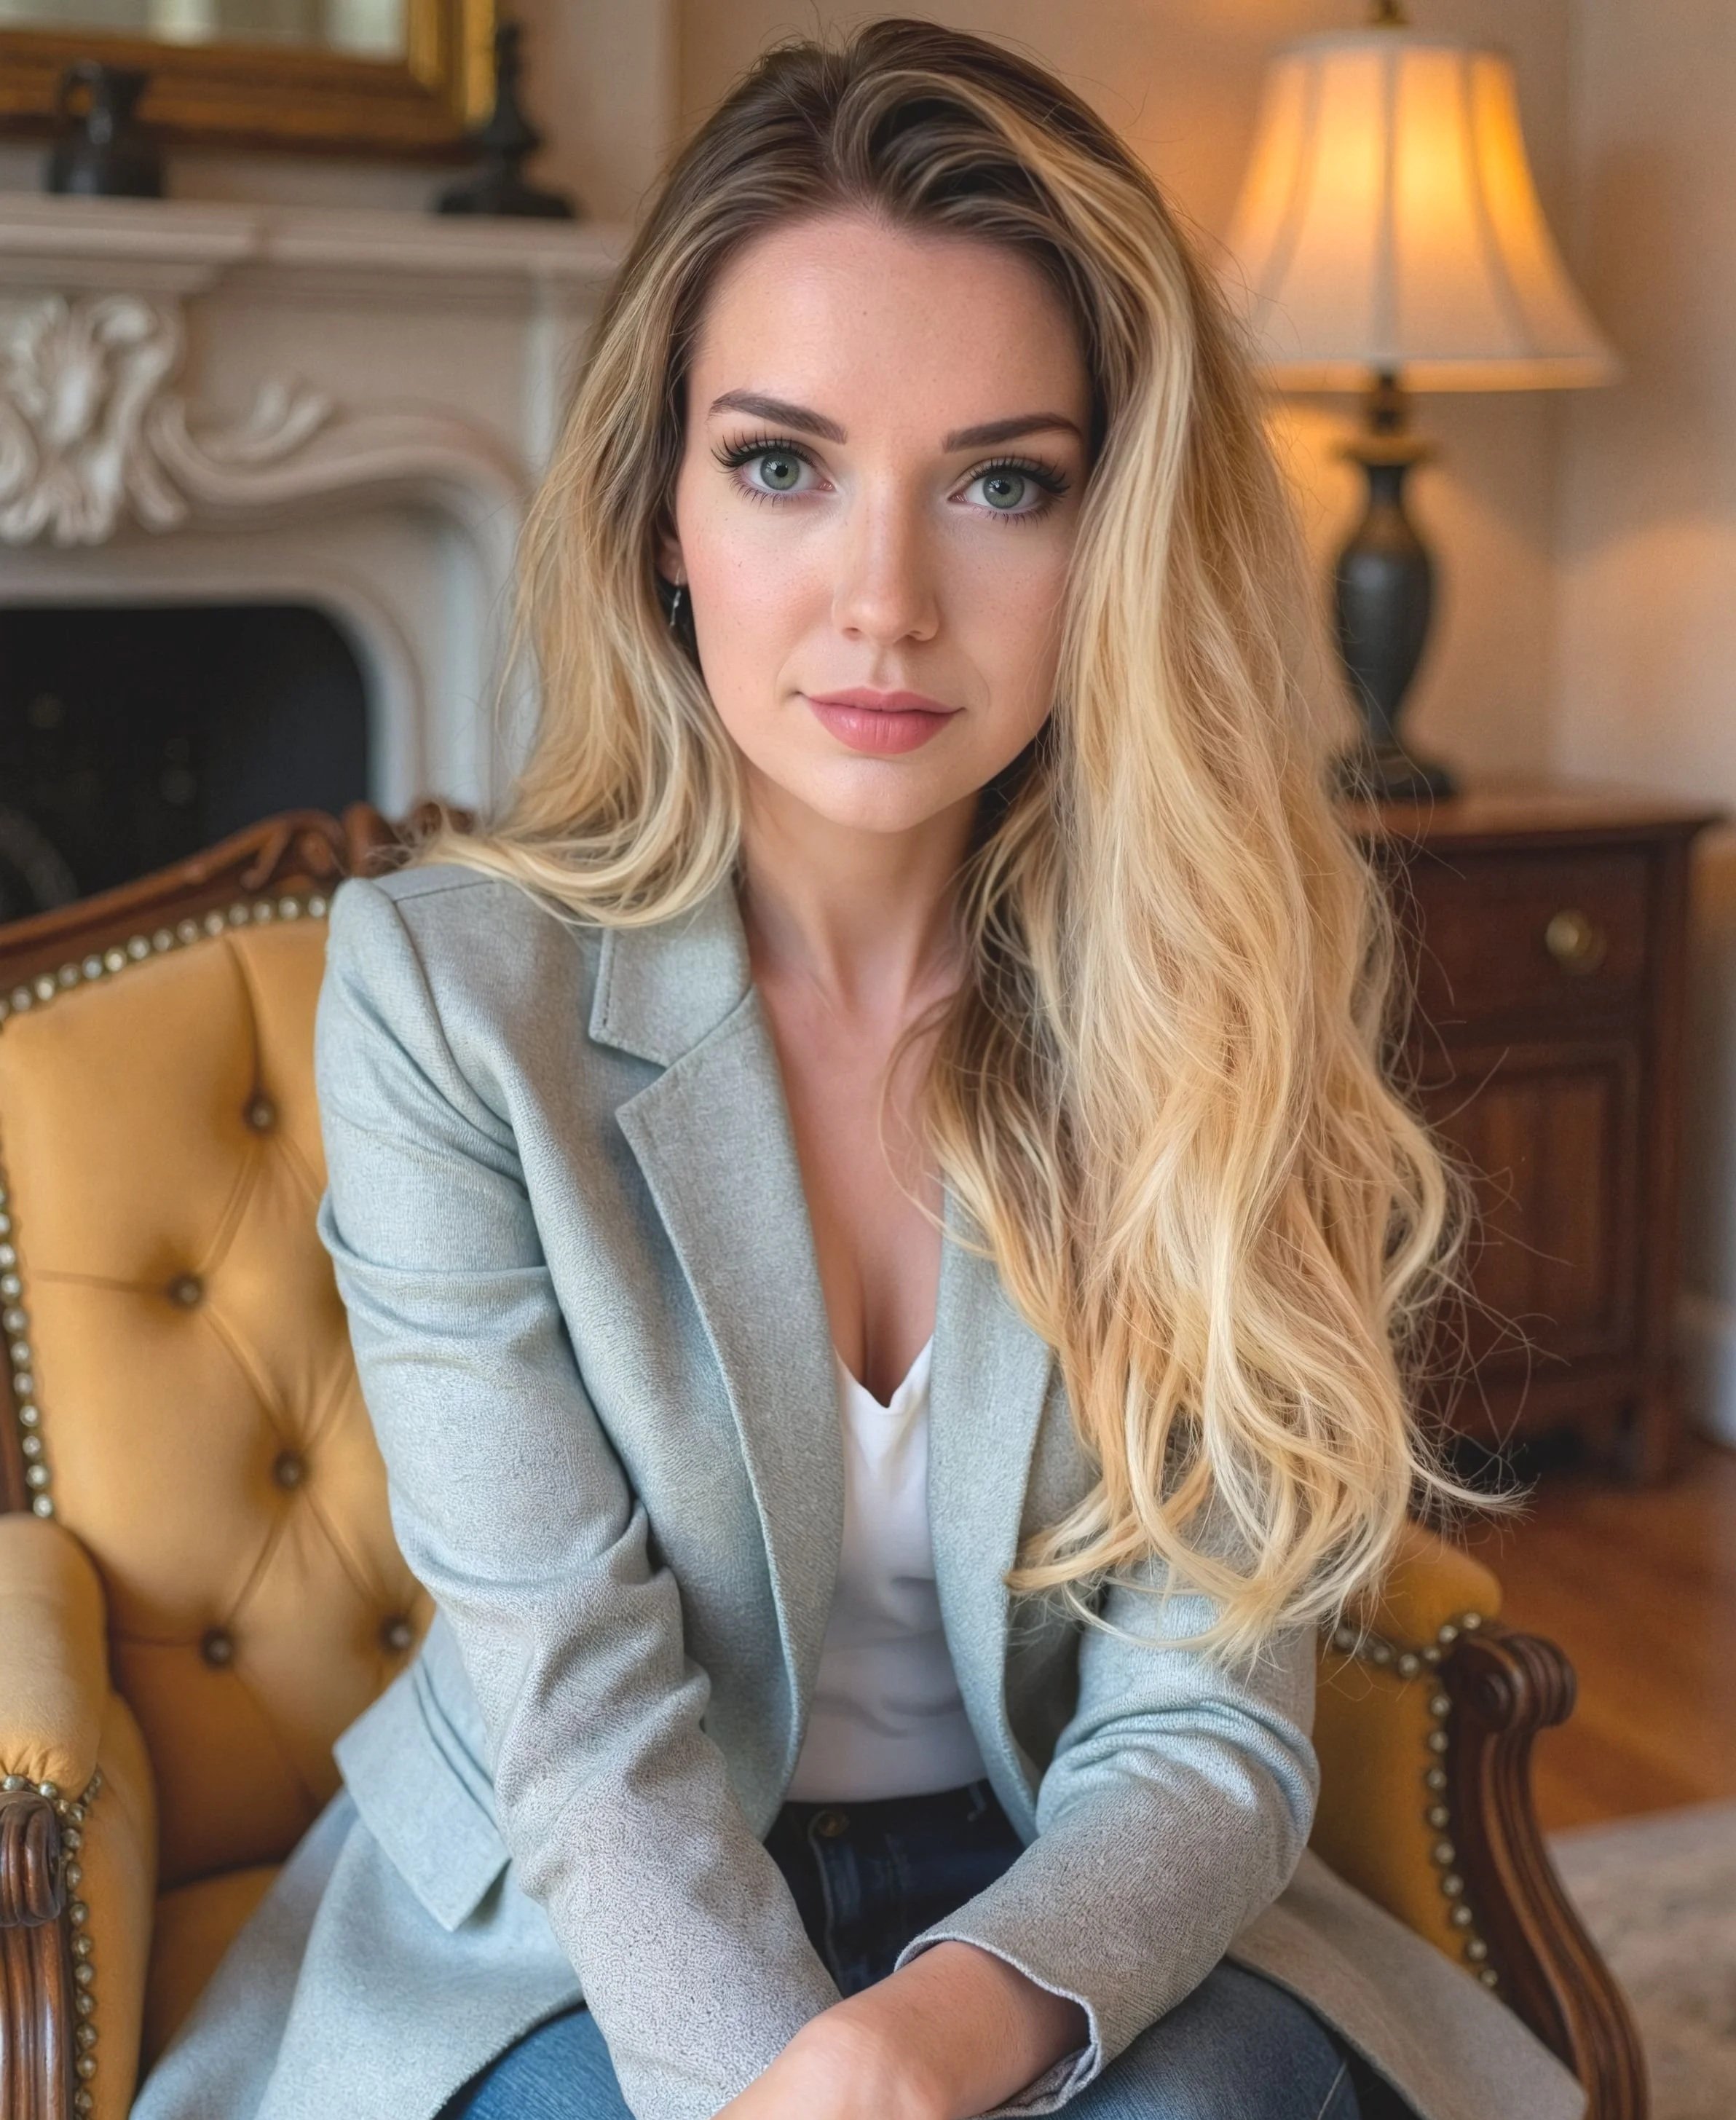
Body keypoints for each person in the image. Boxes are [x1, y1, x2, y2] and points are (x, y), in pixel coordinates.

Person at [132, 20, 1585, 2120]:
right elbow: (577, 1710)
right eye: (785, 464)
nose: (886, 603)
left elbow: (1205, 1713)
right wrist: (791, 2086)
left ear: (1112, 535)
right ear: (662, 515)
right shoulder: (452, 998)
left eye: (1004, 481)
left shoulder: (1223, 997)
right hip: (574, 1904)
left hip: (1064, 1875)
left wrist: (932, 2037)